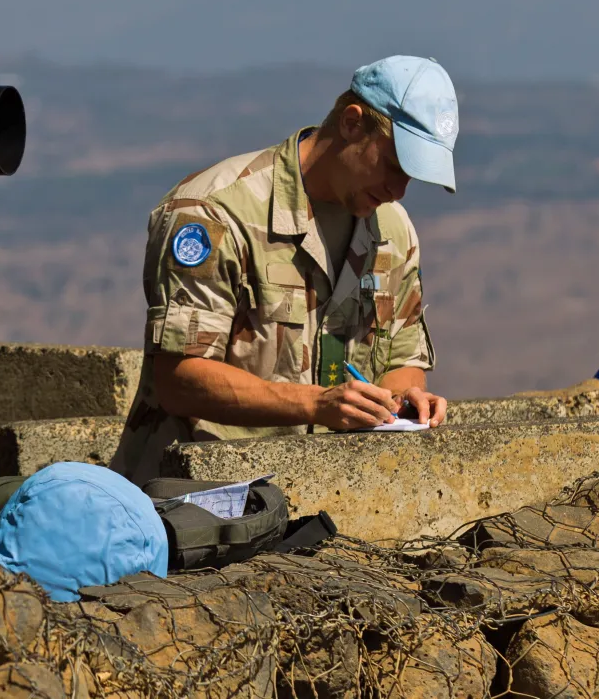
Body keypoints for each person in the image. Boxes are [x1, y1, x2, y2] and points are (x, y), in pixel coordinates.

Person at [109, 55, 458, 486]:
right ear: (352, 123)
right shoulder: (215, 212)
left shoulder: (393, 231)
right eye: (393, 165)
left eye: (413, 177)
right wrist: (316, 405)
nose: (399, 189)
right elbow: (180, 377)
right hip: (195, 503)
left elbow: (403, 357)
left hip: (320, 499)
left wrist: (406, 400)